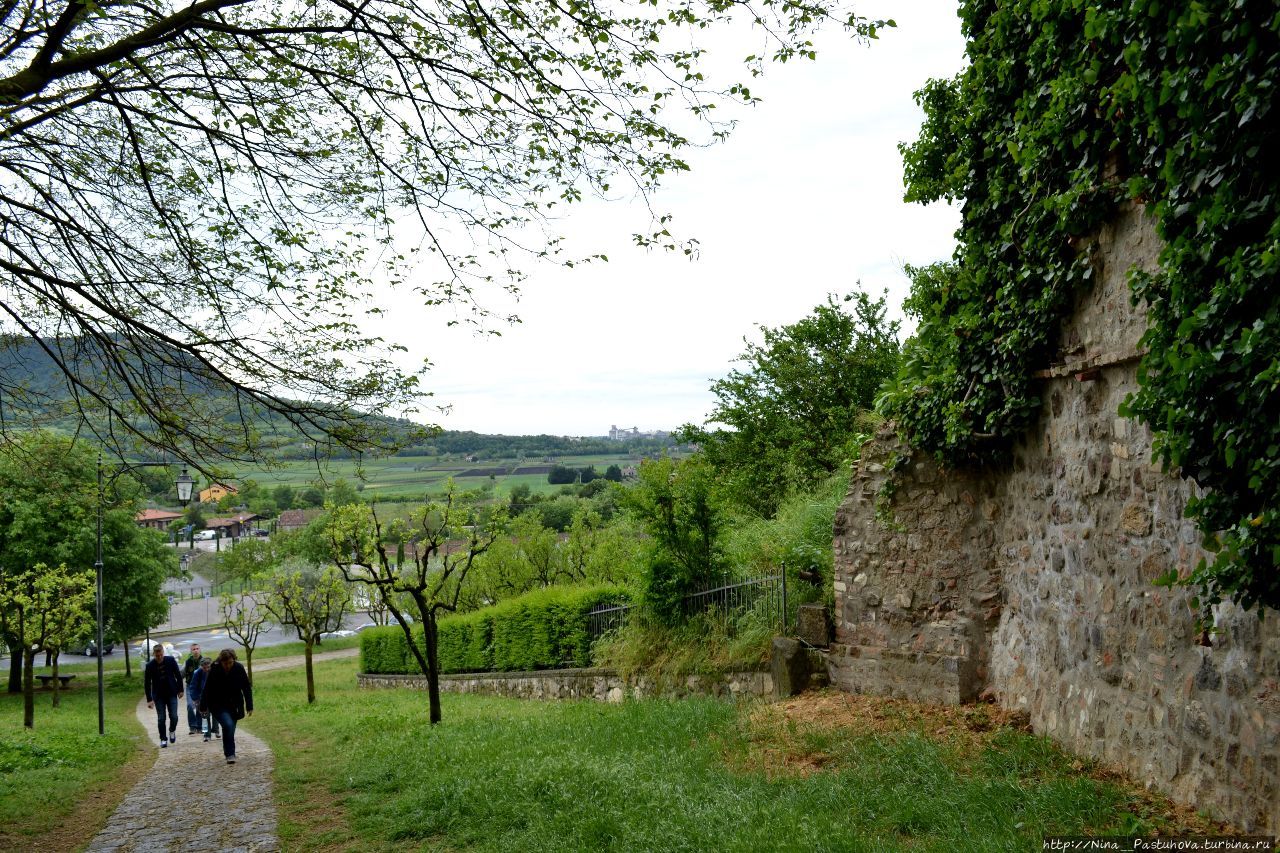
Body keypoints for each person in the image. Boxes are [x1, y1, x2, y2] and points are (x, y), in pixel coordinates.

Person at [198, 648, 253, 765]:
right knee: (227, 724)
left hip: (234, 704)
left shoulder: (239, 668)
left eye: (230, 663)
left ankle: (229, 751)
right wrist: (203, 706)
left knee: (230, 728)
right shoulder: (215, 669)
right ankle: (230, 754)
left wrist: (249, 705)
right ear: (221, 661)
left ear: (234, 660)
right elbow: (207, 689)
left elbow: (246, 687)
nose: (228, 665)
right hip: (218, 704)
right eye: (225, 663)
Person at [144, 643, 184, 748]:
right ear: (154, 654)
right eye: (157, 656)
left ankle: (172, 730)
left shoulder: (170, 660)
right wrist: (149, 699)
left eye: (161, 655)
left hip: (171, 692)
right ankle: (163, 738)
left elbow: (178, 675)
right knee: (161, 718)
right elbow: (147, 683)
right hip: (158, 695)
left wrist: (180, 690)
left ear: (163, 653)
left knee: (174, 716)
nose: (159, 657)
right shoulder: (150, 666)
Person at [182, 644, 203, 735]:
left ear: (200, 650)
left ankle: (199, 726)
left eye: (197, 649)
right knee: (190, 706)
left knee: (199, 706)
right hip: (190, 687)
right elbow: (181, 674)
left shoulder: (204, 661)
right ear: (191, 651)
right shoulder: (187, 662)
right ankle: (192, 726)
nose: (196, 651)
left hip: (201, 687)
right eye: (193, 649)